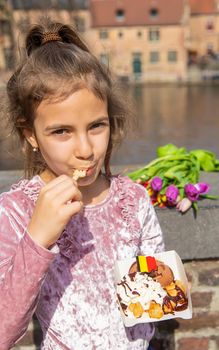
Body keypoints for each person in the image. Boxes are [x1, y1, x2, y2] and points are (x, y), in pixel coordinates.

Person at [0, 18, 164, 350]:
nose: (86, 150)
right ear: (30, 133)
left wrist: (164, 287)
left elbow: (153, 307)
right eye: (62, 131)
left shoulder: (132, 199)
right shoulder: (16, 210)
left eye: (96, 126)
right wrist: (38, 238)